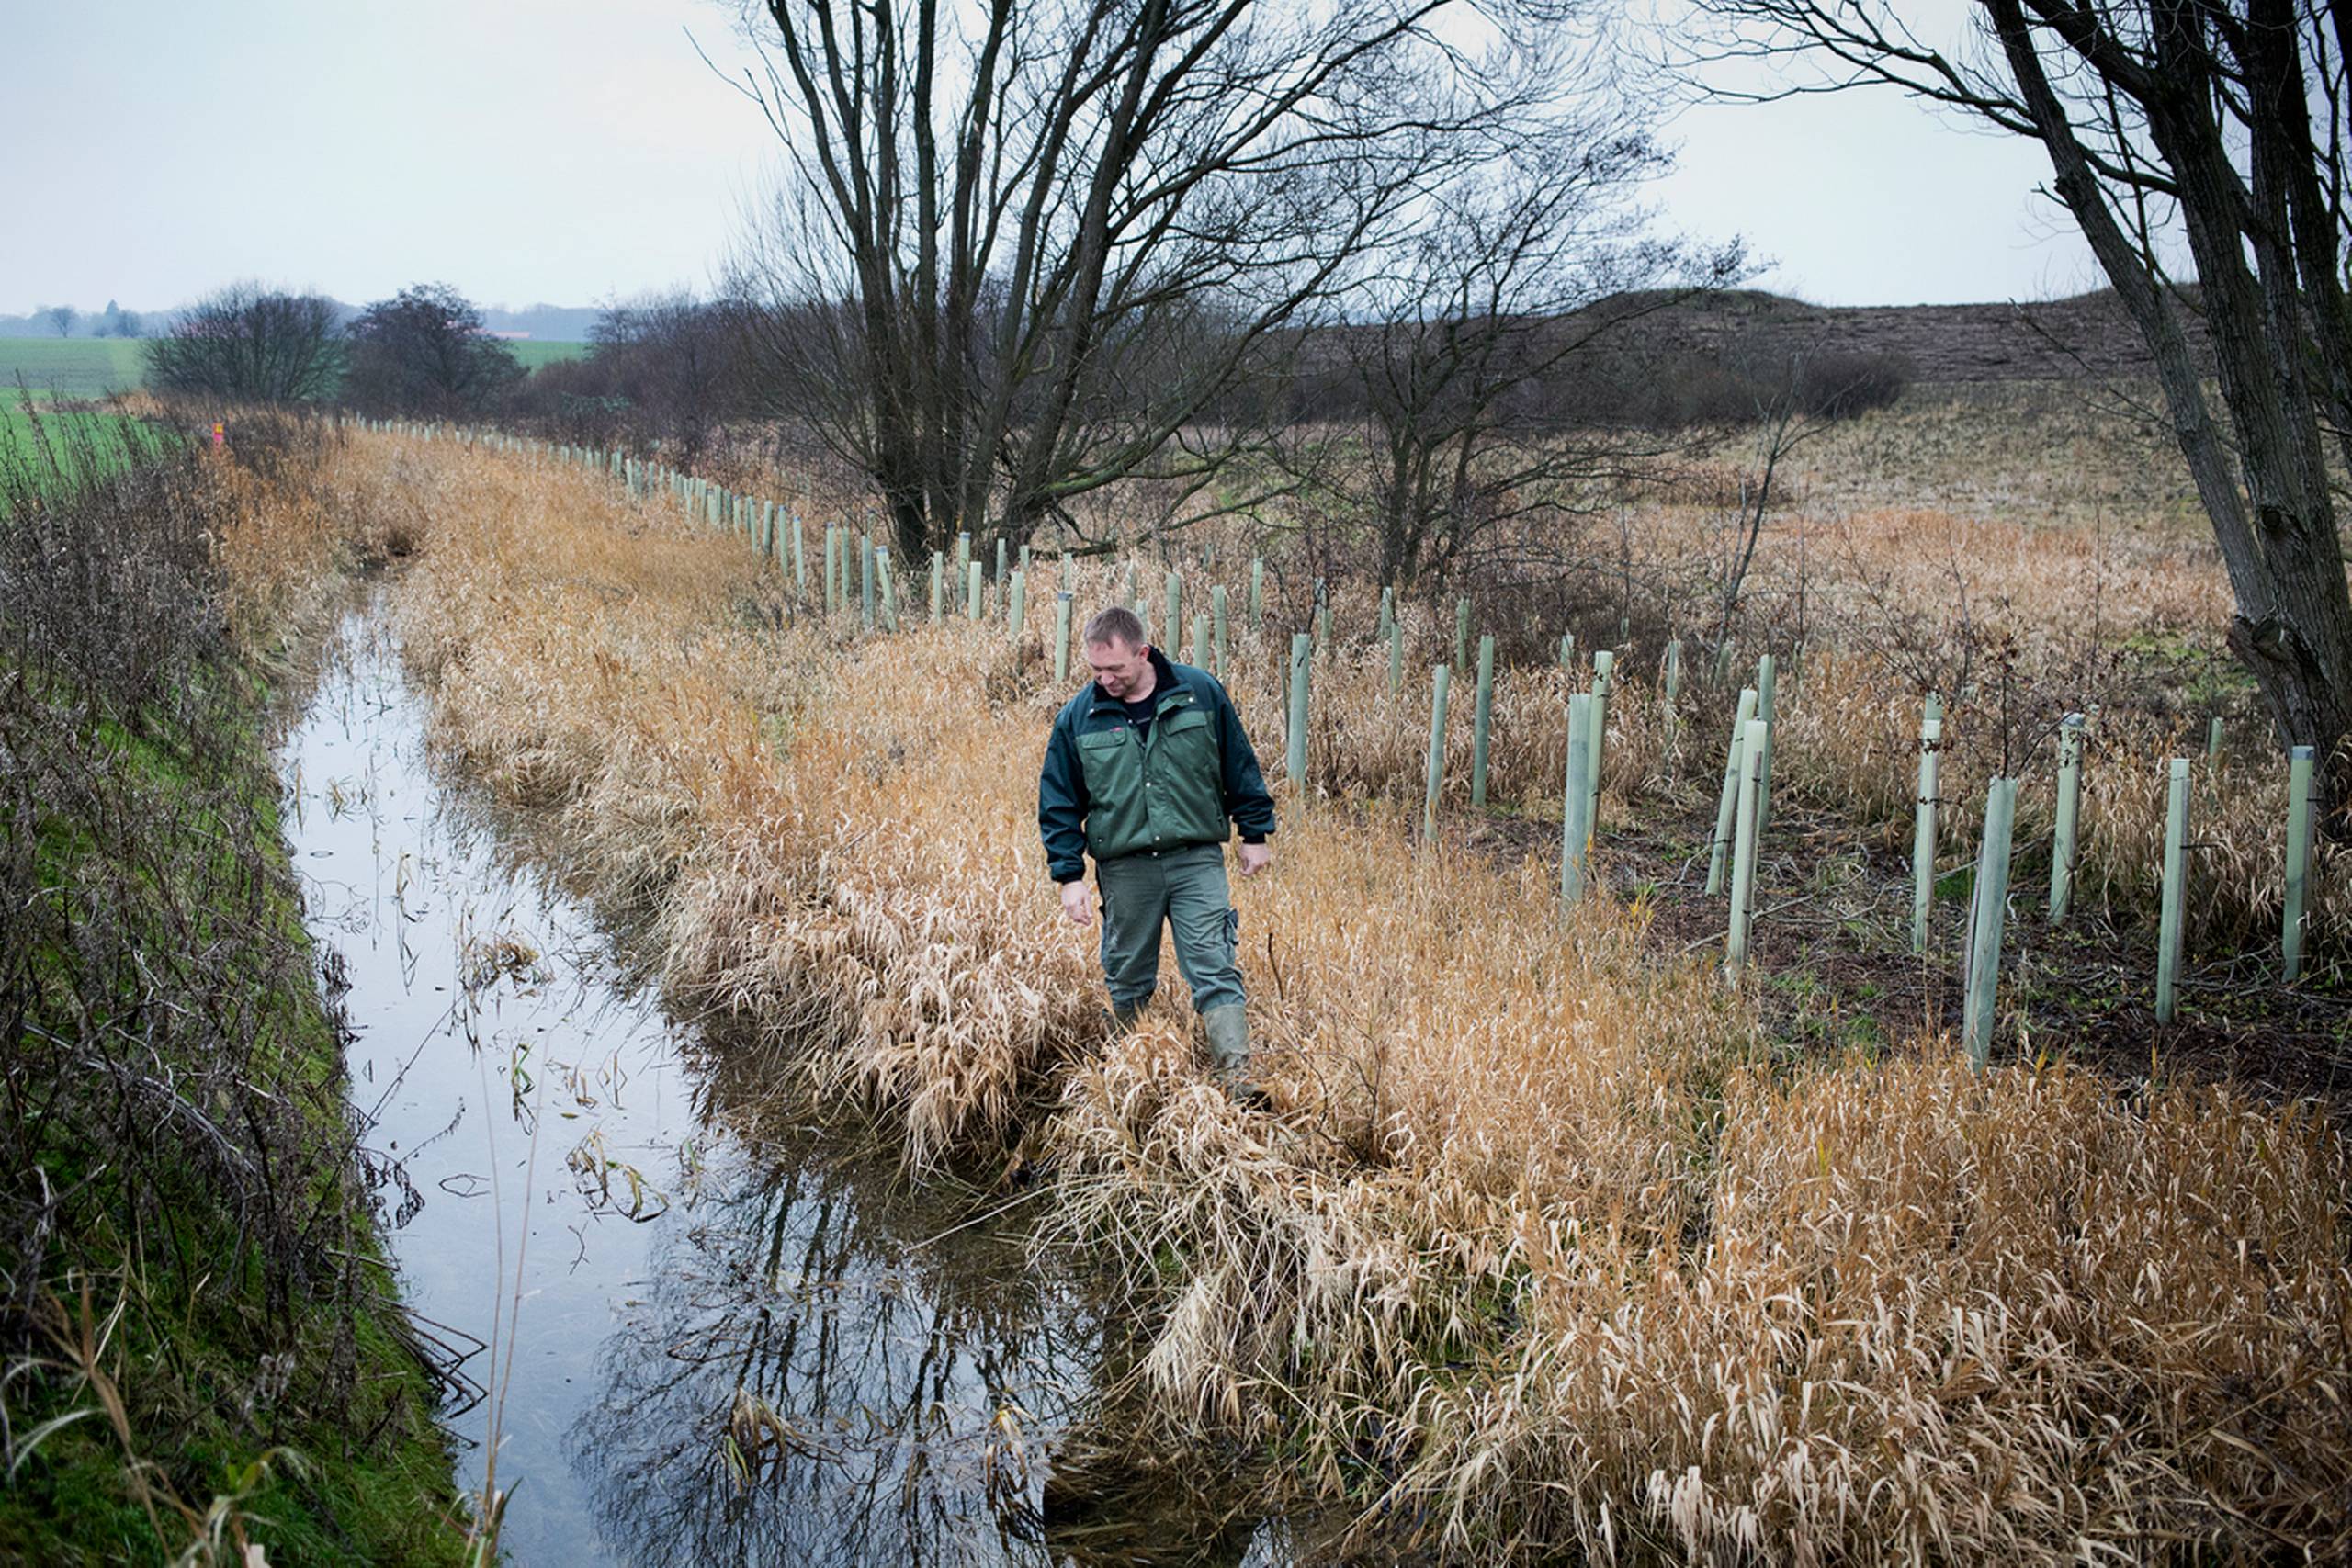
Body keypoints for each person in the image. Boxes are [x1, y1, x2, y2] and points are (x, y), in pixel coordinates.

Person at [1037, 605, 1275, 1099]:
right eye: (1095, 670)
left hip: (1196, 860)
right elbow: (1058, 801)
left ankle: (1239, 1085)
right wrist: (1069, 877)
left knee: (1215, 967)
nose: (1104, 680)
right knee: (1126, 976)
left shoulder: (1200, 693)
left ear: (1143, 653)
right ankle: (1125, 1084)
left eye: (1115, 669)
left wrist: (1255, 831)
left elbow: (1238, 762)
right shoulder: (1077, 718)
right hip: (1124, 869)